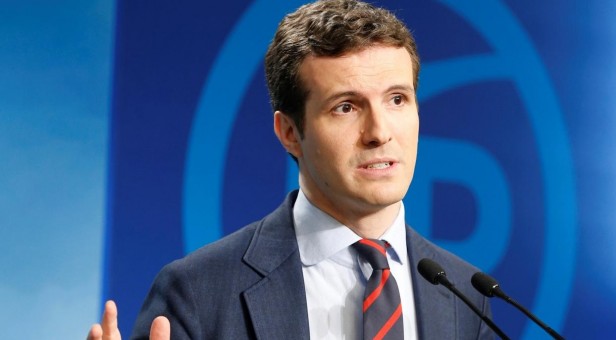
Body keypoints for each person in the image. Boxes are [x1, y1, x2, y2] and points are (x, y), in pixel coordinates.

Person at [88, 0, 494, 339]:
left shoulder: (466, 295)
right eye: (346, 107)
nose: (379, 133)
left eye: (397, 100)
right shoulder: (198, 292)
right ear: (289, 132)